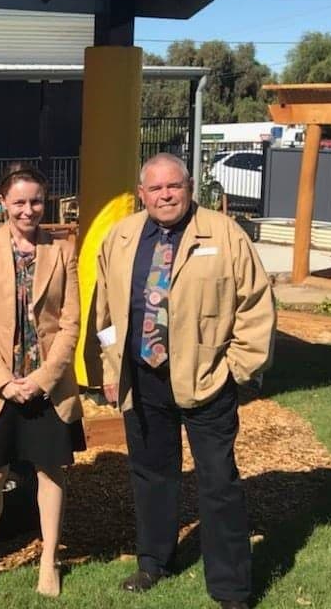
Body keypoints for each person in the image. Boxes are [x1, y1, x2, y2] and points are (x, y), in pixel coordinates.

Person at [93, 152, 275, 609]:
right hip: (144, 378)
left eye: (173, 186)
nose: (165, 195)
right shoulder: (121, 237)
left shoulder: (224, 234)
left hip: (206, 380)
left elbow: (255, 305)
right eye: (155, 188)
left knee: (219, 484)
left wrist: (237, 370)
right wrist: (112, 368)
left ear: (189, 187)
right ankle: (153, 561)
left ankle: (231, 588)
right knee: (152, 476)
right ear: (141, 194)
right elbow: (106, 313)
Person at [0, 167, 83, 597]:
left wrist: (43, 379)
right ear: (2, 203)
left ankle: (49, 559)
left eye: (35, 201)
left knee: (51, 473)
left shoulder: (63, 250)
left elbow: (70, 324)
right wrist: (5, 382)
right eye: (19, 201)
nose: (28, 209)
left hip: (47, 385)